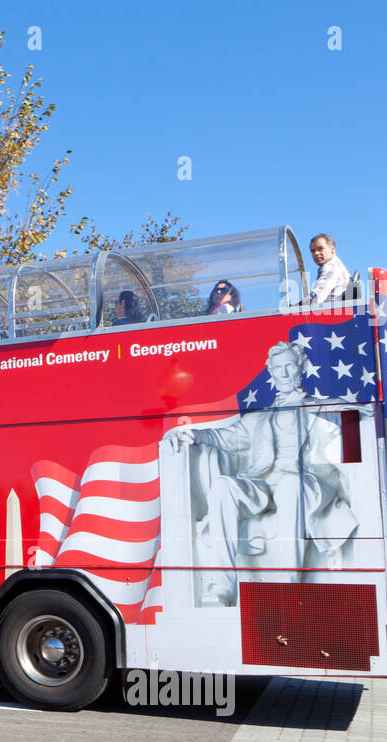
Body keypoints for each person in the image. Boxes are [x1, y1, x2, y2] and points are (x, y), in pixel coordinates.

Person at [163, 340, 361, 607]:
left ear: (300, 366)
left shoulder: (322, 407)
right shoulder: (259, 419)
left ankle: (287, 587)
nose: (284, 373)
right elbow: (223, 438)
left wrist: (347, 409)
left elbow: (360, 415)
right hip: (266, 485)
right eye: (278, 368)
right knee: (223, 486)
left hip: (309, 483)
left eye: (289, 365)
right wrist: (188, 434)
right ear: (271, 372)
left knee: (290, 486)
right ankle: (223, 586)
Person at [307, 233, 350, 305]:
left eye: (320, 249)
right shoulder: (336, 265)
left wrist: (291, 309)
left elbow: (315, 298)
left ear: (332, 250)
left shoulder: (332, 267)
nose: (316, 253)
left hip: (334, 314)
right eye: (313, 251)